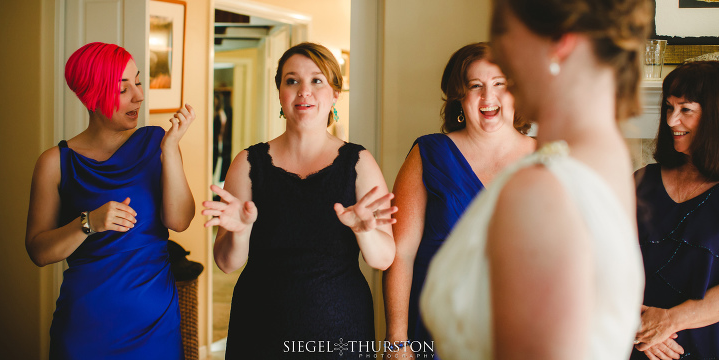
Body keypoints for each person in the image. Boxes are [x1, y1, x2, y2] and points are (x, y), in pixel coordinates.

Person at [420, 0, 651, 359]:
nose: (501, 57)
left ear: (558, 39)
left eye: (503, 31)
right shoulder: (608, 160)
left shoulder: (542, 191)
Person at [203, 42, 397, 359]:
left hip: (340, 330)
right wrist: (241, 231)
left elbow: (383, 259)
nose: (303, 91)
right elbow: (227, 264)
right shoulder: (248, 163)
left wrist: (364, 231)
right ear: (280, 92)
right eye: (292, 80)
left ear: (335, 93)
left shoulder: (358, 163)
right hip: (259, 330)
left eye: (317, 80)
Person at [26, 42, 196, 359]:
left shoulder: (157, 143)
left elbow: (180, 221)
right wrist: (88, 223)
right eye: (122, 88)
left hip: (156, 327)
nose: (139, 96)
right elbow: (38, 250)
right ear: (91, 95)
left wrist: (170, 150)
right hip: (85, 330)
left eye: (138, 81)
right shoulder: (54, 163)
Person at [382, 43, 535, 357]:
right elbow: (402, 255)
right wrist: (397, 341)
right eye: (475, 86)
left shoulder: (549, 155)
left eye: (499, 84)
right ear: (459, 98)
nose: (487, 97)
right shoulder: (429, 154)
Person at [632, 61, 719, 360]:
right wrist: (639, 323)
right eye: (668, 108)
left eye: (685, 110)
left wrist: (668, 322)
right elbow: (600, 258)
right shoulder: (642, 180)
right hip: (631, 340)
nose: (671, 121)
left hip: (704, 346)